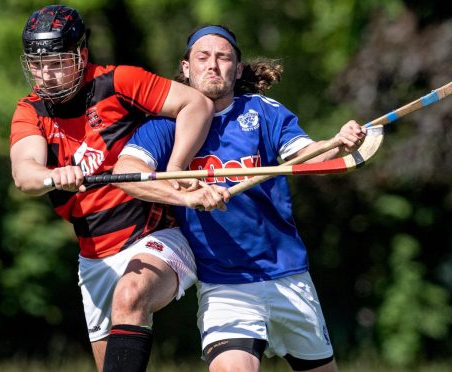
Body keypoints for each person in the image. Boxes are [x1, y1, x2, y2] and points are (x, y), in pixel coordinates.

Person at [115, 25, 366, 371]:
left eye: (224, 58)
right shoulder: (165, 125)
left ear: (238, 68)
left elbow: (309, 158)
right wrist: (186, 197)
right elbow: (126, 173)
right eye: (203, 57)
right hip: (225, 285)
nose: (213, 66)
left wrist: (338, 143)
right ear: (186, 68)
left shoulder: (264, 112)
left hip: (288, 276)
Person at [9, 6, 226, 372]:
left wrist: (175, 168)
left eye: (58, 62)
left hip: (157, 235)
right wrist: (53, 175)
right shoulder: (30, 111)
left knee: (130, 295)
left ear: (81, 55)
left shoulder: (119, 81)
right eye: (38, 64)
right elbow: (24, 172)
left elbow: (196, 104)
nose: (46, 74)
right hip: (93, 256)